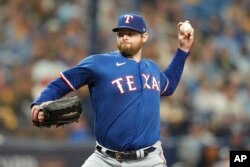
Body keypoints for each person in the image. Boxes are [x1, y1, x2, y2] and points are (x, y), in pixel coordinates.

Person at [31, 13, 194, 167]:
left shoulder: (151, 68)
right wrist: (39, 103)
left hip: (148, 160)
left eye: (131, 33)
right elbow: (61, 83)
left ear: (144, 37)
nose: (124, 37)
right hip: (105, 159)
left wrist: (183, 49)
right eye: (120, 33)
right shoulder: (98, 63)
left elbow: (169, 85)